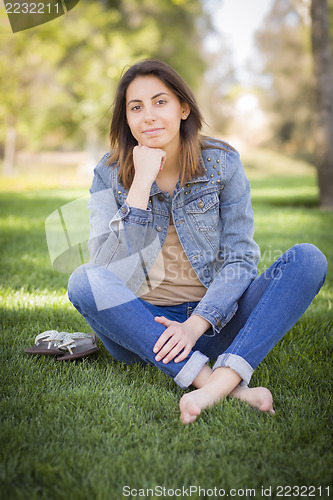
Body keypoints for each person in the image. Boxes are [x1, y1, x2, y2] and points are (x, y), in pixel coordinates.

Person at [67, 59, 327, 424]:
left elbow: (240, 258)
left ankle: (209, 382)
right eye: (136, 107)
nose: (149, 116)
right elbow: (107, 272)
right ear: (126, 119)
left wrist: (196, 324)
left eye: (160, 102)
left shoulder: (222, 163)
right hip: (141, 329)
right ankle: (222, 386)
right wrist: (140, 185)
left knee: (309, 259)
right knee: (82, 280)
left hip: (215, 322)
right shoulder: (108, 172)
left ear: (183, 108)